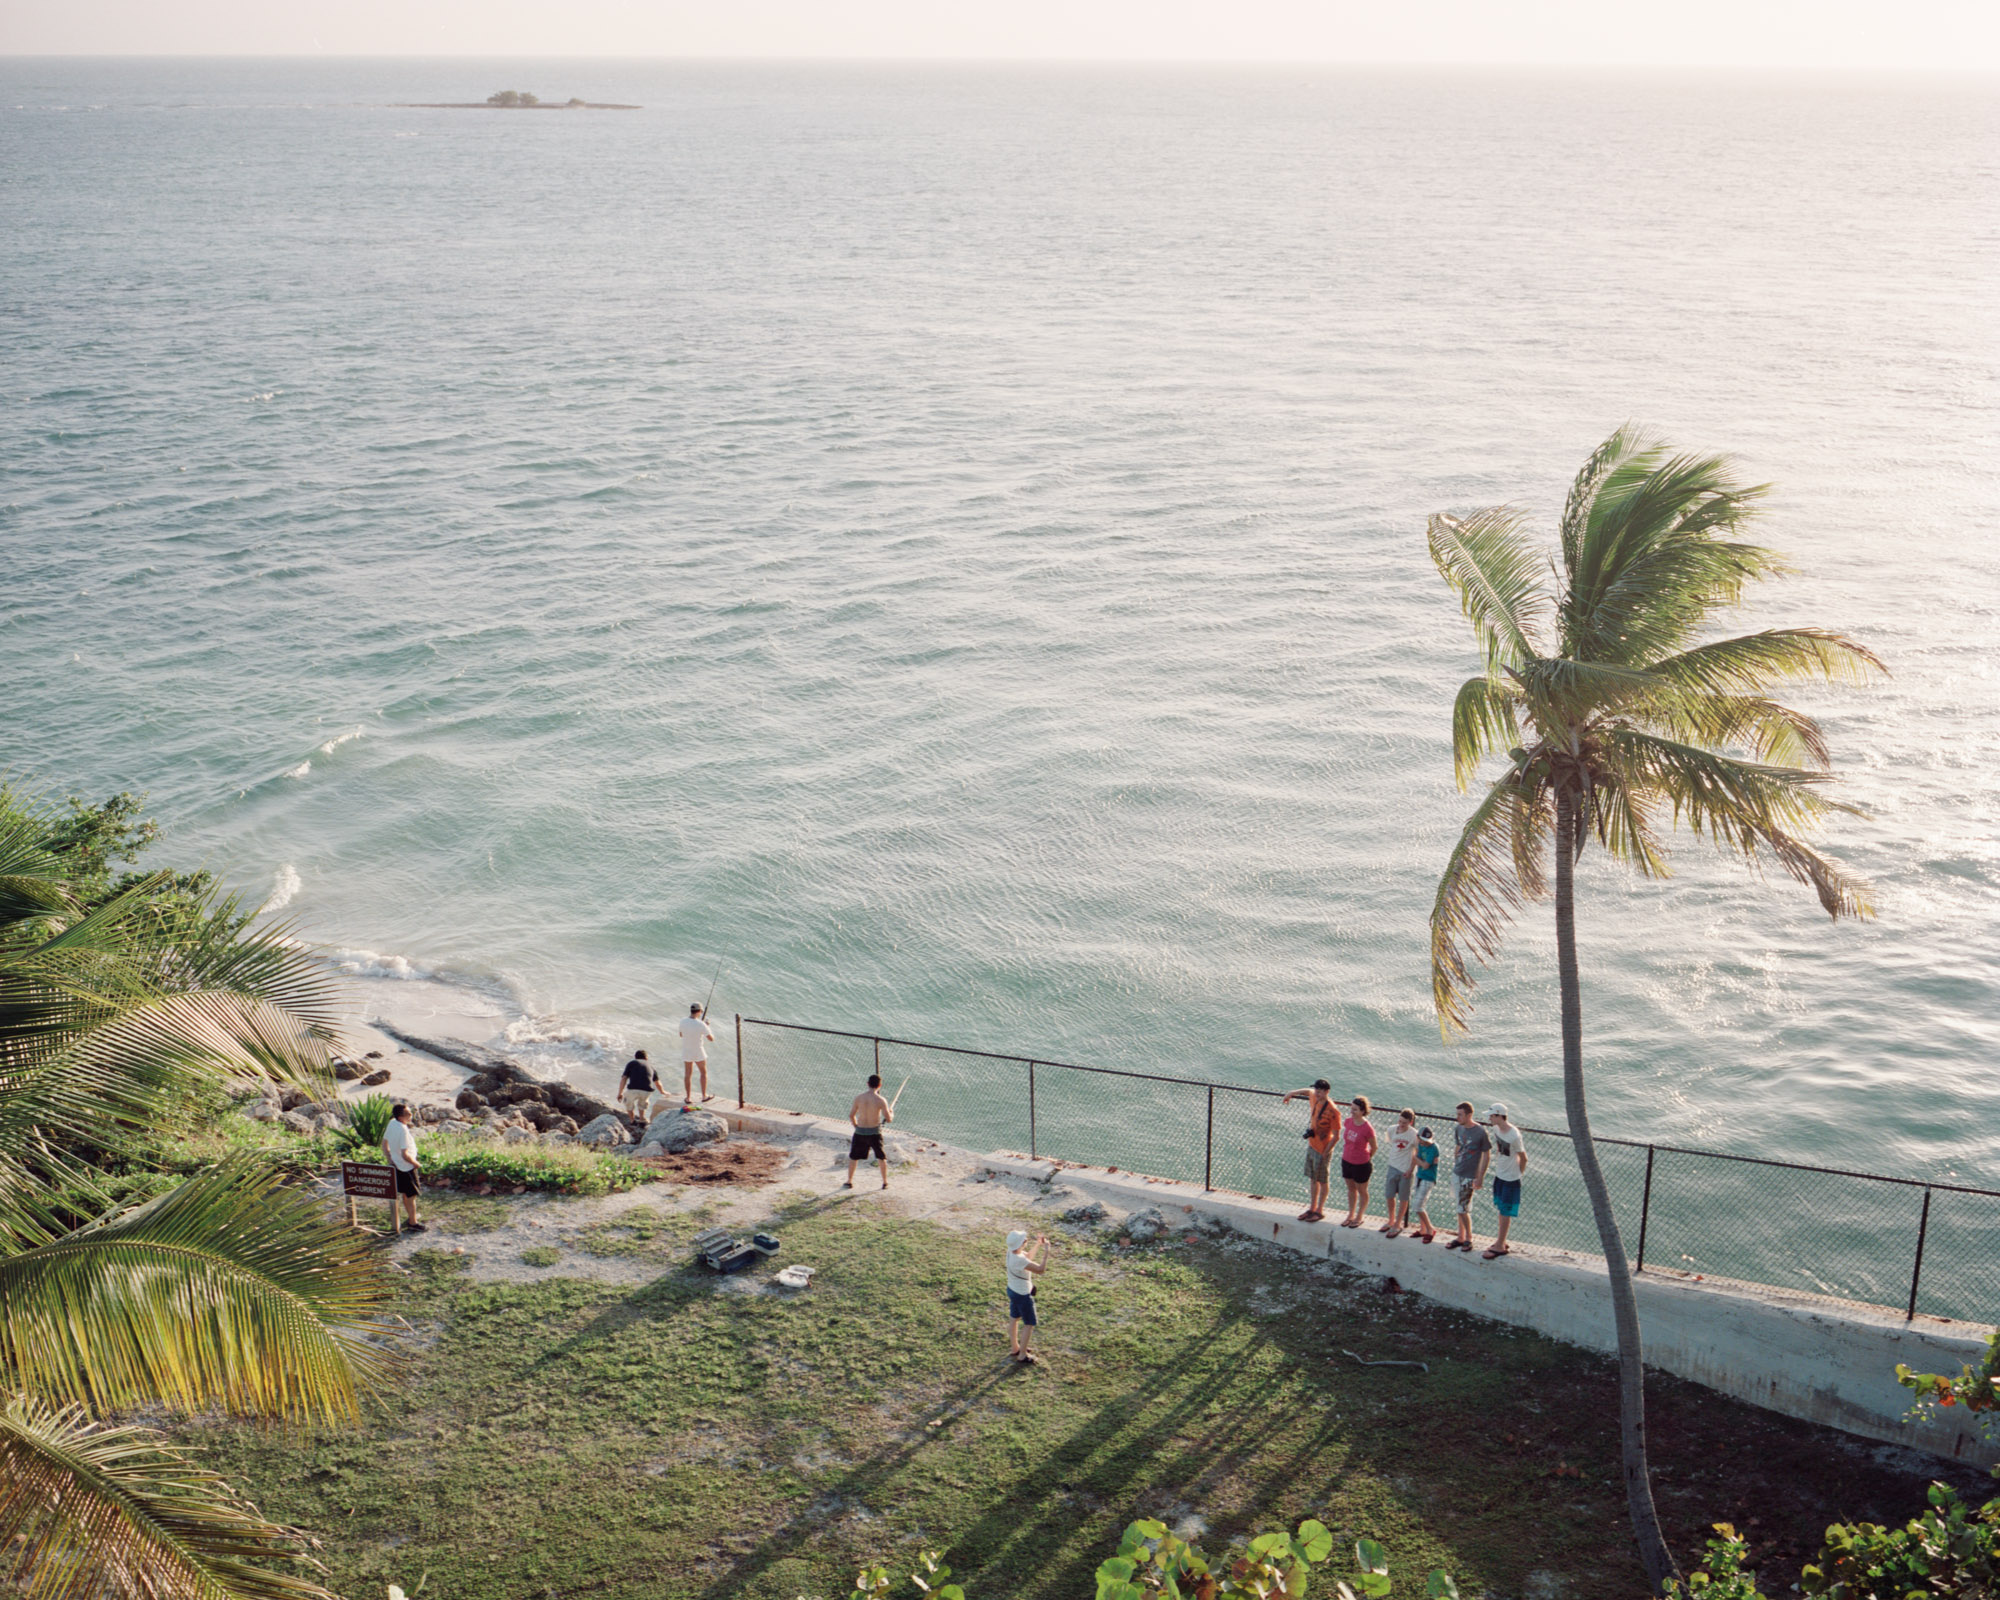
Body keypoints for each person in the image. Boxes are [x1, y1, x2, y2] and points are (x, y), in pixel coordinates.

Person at [1280, 1078, 1341, 1222]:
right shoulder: (1314, 1097)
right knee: (1313, 1179)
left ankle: (1320, 1210)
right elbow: (1307, 1091)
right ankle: (1312, 1208)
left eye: (1320, 1091)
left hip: (1323, 1149)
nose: (1317, 1093)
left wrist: (1326, 1151)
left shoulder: (1333, 1110)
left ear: (1327, 1092)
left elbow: (1337, 1136)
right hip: (1312, 1145)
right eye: (1316, 1091)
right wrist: (1291, 1093)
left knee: (1323, 1180)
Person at [1484, 1103, 1528, 1259]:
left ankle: (1500, 1245)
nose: (1489, 1118)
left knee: (1505, 1212)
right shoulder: (1496, 1129)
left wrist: (1518, 1174)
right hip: (1500, 1174)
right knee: (1500, 1209)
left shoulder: (1514, 1135)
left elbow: (1523, 1158)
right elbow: (1500, 1149)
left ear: (1498, 1116)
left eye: (1491, 1115)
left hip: (1511, 1178)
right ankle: (1500, 1240)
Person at [1447, 1100, 1490, 1252]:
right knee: (1459, 1206)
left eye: (1460, 1114)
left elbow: (1486, 1154)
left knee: (1463, 1208)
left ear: (1469, 1115)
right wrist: (1456, 1162)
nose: (1457, 1117)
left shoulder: (1480, 1132)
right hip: (1458, 1171)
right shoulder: (1458, 1129)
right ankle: (1461, 1236)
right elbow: (1458, 1146)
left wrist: (1480, 1176)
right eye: (1457, 1114)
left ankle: (1469, 1238)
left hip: (1469, 1175)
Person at [1006, 1228, 1050, 1364]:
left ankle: (1015, 1348)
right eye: (1024, 1240)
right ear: (1020, 1244)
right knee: (1029, 1323)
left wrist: (1038, 1244)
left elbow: (1028, 1258)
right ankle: (1022, 1355)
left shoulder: (1011, 1253)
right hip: (1023, 1295)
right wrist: (1046, 1252)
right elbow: (1040, 1270)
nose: (1026, 1241)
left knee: (1014, 1319)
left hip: (1012, 1290)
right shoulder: (1018, 1259)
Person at [381, 1102, 425, 1232]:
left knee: (406, 1194)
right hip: (406, 1167)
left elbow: (384, 1144)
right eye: (408, 1114)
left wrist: (390, 1159)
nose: (411, 1115)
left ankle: (411, 1217)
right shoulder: (403, 1131)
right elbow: (405, 1154)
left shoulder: (392, 1123)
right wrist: (416, 1164)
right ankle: (413, 1223)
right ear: (401, 1117)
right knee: (411, 1196)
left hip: (396, 1165)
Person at [845, 1072, 893, 1190]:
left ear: (868, 1084)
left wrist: (856, 1126)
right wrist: (892, 1113)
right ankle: (885, 1182)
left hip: (860, 1132)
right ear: (879, 1085)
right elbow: (889, 1119)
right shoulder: (881, 1100)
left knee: (853, 1157)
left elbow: (851, 1115)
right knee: (881, 1157)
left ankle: (849, 1181)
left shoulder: (858, 1098)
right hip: (874, 1133)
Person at [1339, 1096, 1378, 1227]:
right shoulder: (1348, 1122)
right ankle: (1350, 1214)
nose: (1352, 1112)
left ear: (1362, 1111)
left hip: (1361, 1163)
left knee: (1362, 1190)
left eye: (1355, 1110)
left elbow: (1374, 1147)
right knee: (1350, 1189)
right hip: (1347, 1160)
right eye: (1351, 1109)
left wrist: (1365, 1157)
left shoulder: (1367, 1128)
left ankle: (1359, 1216)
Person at [1380, 1108, 1419, 1236]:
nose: (1401, 1125)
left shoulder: (1414, 1135)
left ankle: (1398, 1223)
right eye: (1400, 1121)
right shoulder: (1392, 1129)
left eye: (1404, 1123)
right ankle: (1391, 1220)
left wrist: (1411, 1169)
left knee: (1403, 1197)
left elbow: (1417, 1153)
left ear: (1410, 1122)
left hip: (1405, 1169)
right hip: (1392, 1165)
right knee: (1389, 1195)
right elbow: (1392, 1143)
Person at [677, 1003, 715, 1109]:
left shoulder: (682, 1021)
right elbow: (711, 1039)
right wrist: (706, 1026)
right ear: (699, 1012)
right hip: (698, 1051)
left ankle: (688, 1097)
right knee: (703, 1073)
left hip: (686, 1051)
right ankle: (704, 1096)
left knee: (688, 1074)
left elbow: (681, 1035)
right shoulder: (701, 1024)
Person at [1407, 1127, 1441, 1243]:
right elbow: (1420, 1161)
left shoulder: (1433, 1148)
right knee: (1419, 1204)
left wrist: (1416, 1159)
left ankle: (1430, 1229)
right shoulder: (1421, 1146)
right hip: (1419, 1176)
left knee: (1418, 1206)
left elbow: (1425, 1165)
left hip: (1428, 1179)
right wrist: (1417, 1161)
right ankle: (1423, 1229)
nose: (1423, 1142)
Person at [618, 1048, 661, 1125]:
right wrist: (663, 1092)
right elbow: (657, 1083)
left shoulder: (632, 1063)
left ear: (635, 1057)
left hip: (633, 1090)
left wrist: (620, 1093)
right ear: (646, 1058)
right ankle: (641, 1119)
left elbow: (624, 1078)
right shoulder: (651, 1066)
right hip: (647, 1091)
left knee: (628, 1104)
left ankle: (632, 1120)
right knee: (642, 1104)